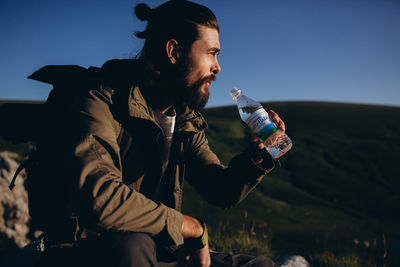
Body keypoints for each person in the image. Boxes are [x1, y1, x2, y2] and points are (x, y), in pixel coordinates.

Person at [32, 1, 287, 266]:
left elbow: (220, 190)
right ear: (174, 51)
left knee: (260, 265)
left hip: (156, 250)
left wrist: (258, 155)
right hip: (89, 251)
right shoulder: (99, 101)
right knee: (133, 243)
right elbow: (100, 198)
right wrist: (190, 227)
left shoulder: (183, 116)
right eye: (211, 53)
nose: (218, 67)